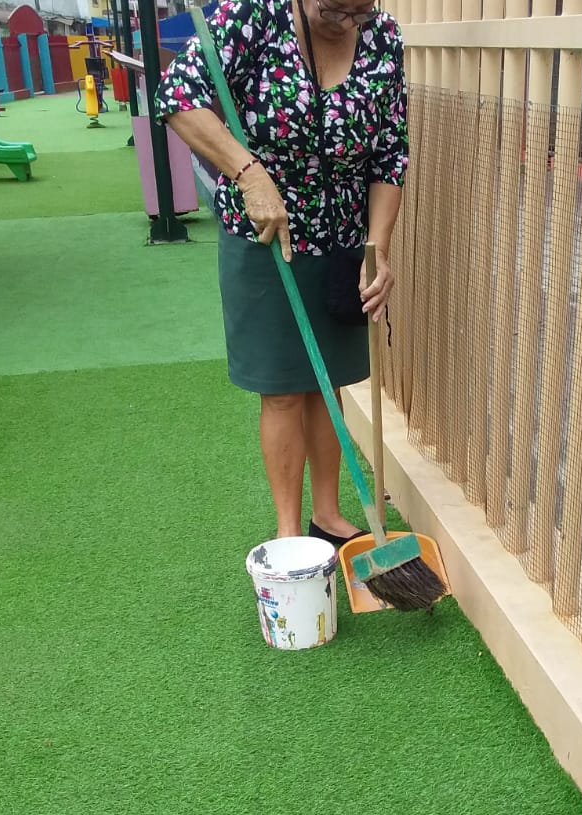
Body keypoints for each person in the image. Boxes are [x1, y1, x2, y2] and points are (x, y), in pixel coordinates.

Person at [155, 0, 408, 548]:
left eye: (360, 12)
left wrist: (378, 248)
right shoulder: (252, 16)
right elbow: (177, 97)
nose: (348, 23)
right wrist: (249, 175)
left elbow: (390, 154)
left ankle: (328, 516)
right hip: (267, 237)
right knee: (284, 390)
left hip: (343, 241)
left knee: (328, 383)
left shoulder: (383, 36)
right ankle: (290, 534)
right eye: (335, 9)